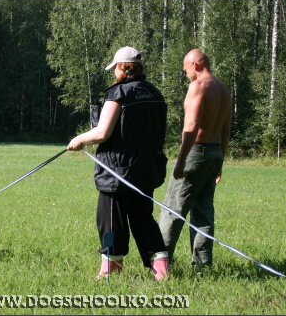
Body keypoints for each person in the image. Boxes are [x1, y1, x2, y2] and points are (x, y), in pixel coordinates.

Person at [67, 46, 170, 280]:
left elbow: (102, 133)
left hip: (117, 170)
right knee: (143, 218)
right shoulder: (154, 92)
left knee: (110, 222)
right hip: (147, 167)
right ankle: (162, 270)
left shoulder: (119, 92)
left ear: (122, 67)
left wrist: (78, 140)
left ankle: (110, 268)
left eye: (115, 68)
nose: (114, 73)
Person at [158, 49, 232, 267]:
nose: (185, 73)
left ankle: (161, 263)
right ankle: (202, 264)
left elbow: (191, 126)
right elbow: (226, 131)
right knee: (203, 210)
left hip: (196, 152)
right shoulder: (224, 90)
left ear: (196, 65)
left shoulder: (198, 86)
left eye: (186, 69)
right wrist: (220, 162)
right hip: (215, 152)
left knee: (173, 208)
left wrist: (181, 160)